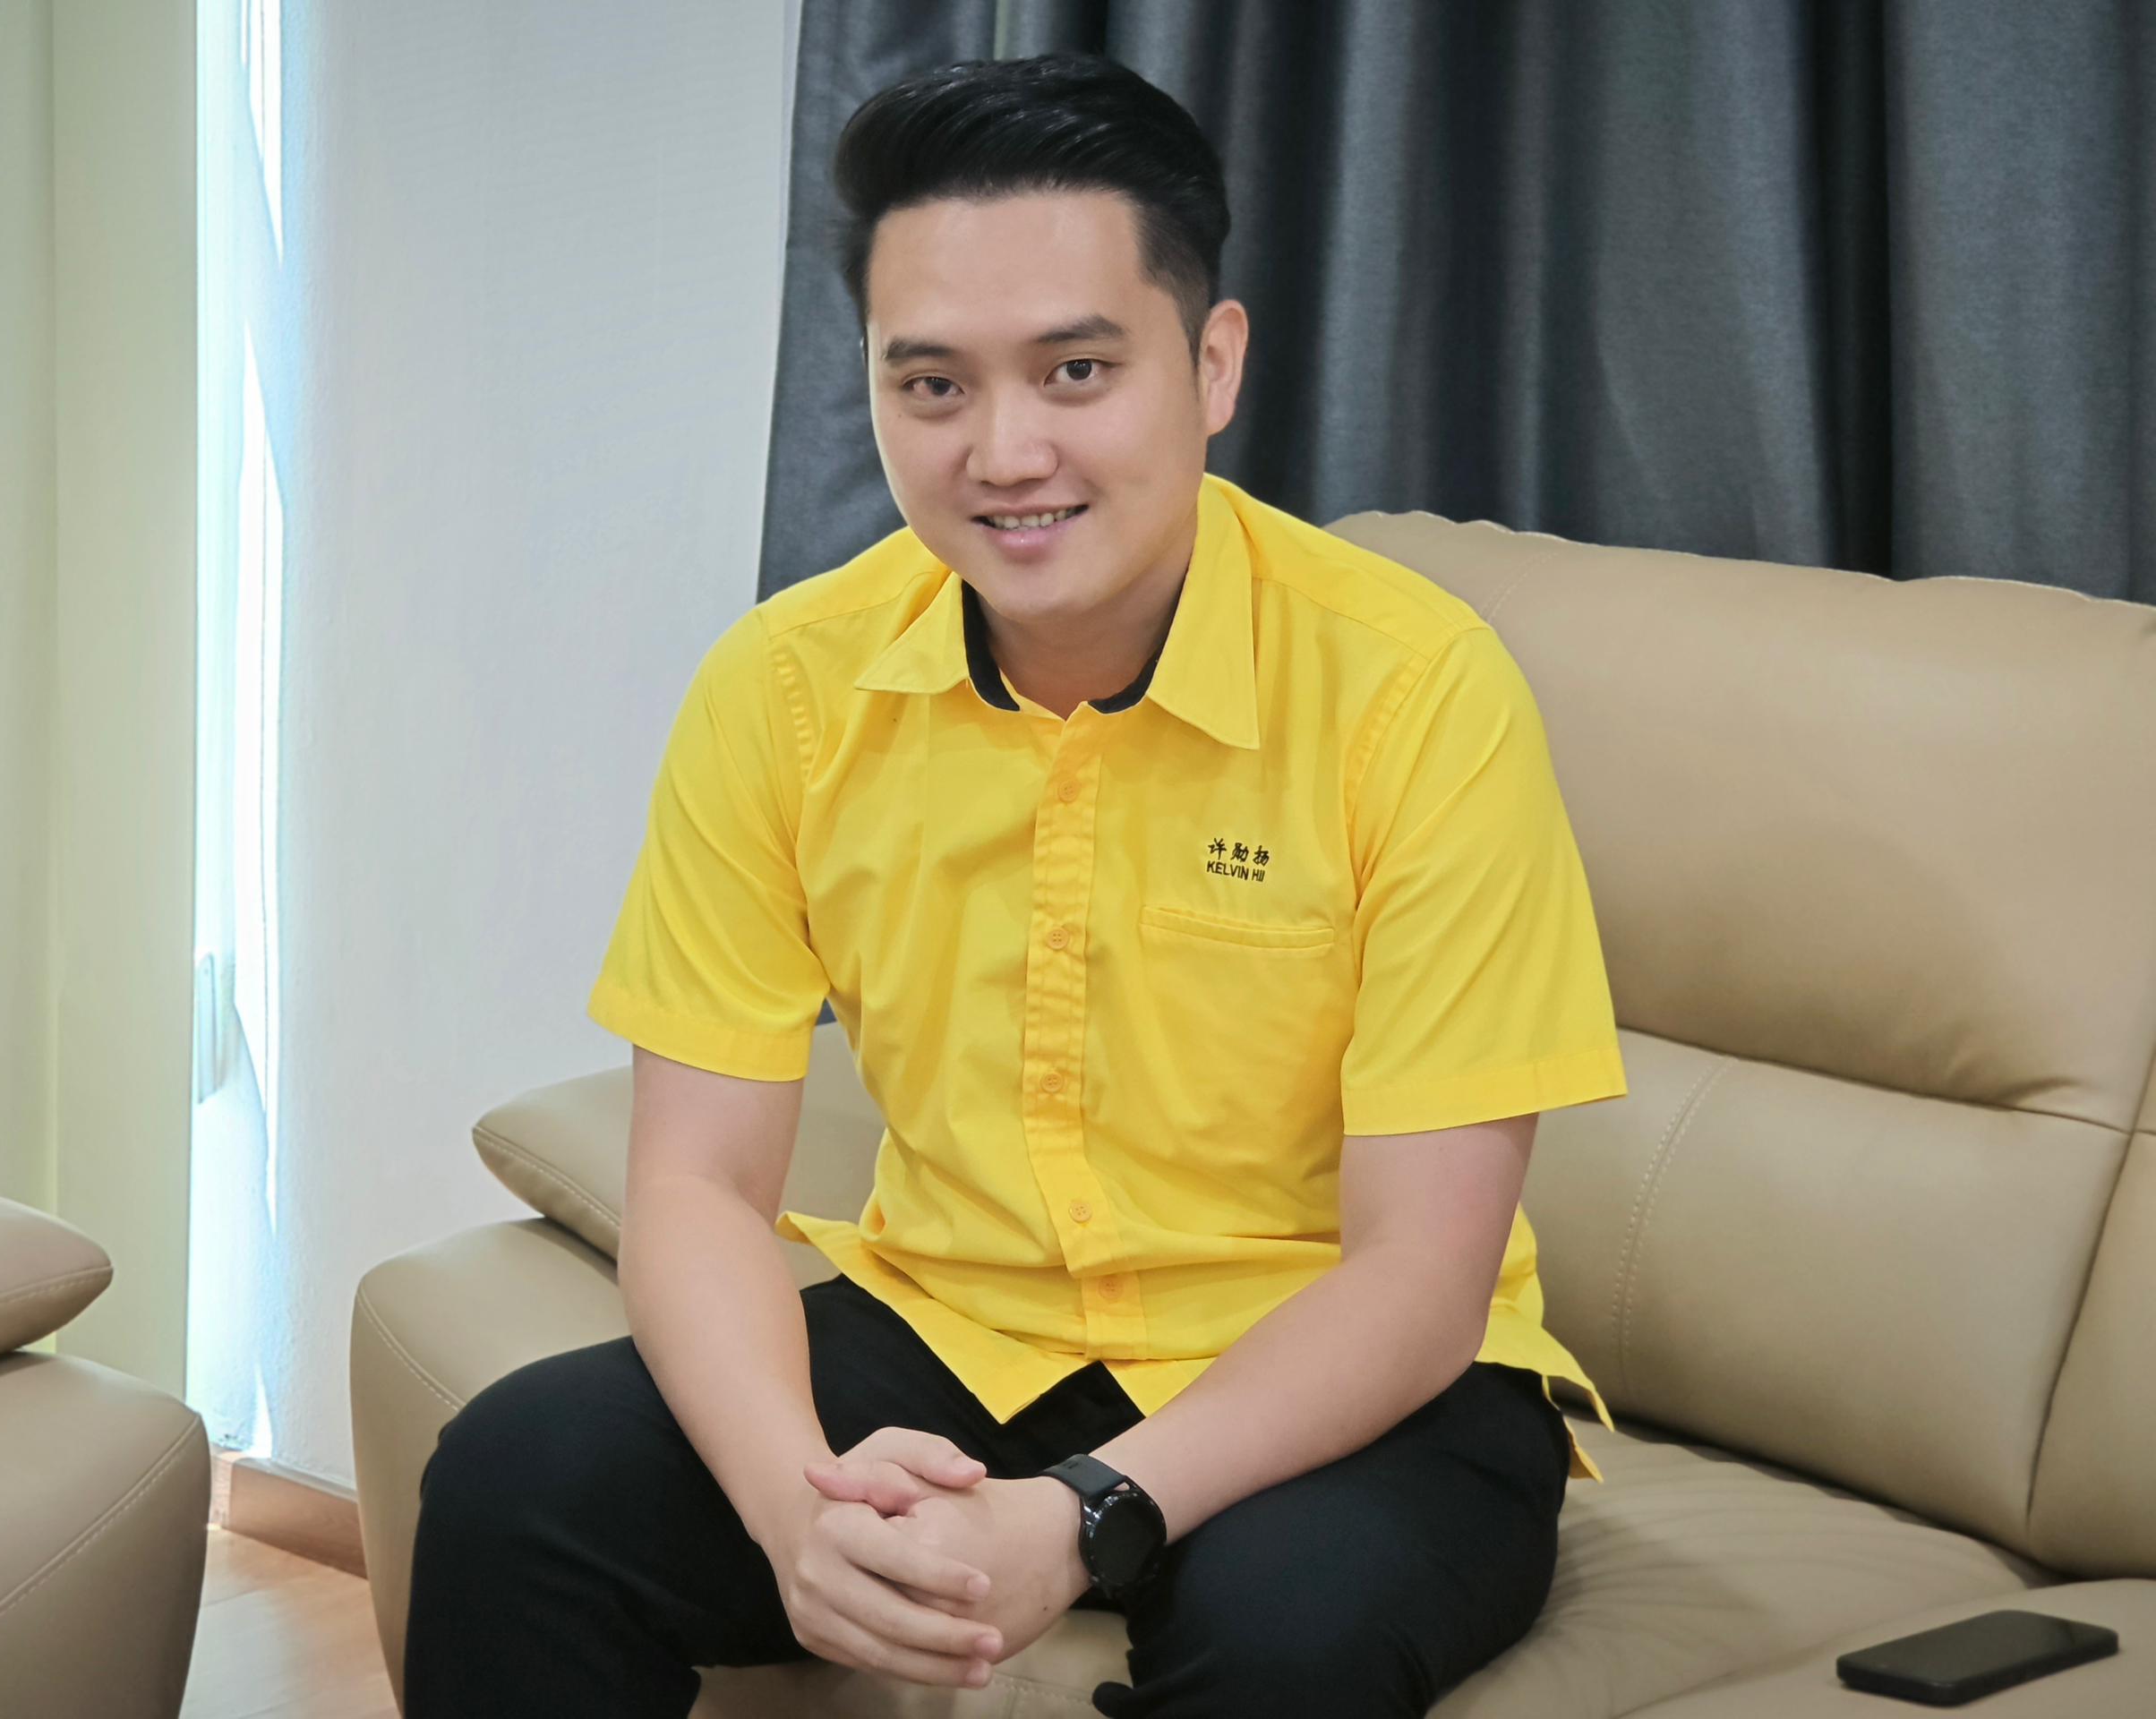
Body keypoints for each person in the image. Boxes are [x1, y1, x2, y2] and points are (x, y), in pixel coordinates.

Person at [403, 48, 1629, 1718]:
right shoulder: (787, 688)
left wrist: (1086, 1513)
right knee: (519, 1482)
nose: (1004, 449)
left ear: (1212, 363)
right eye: (933, 386)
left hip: (1351, 1379)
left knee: (1288, 1636)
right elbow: (693, 1186)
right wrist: (792, 1509)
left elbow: (1420, 1276)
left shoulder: (1416, 691)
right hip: (958, 1328)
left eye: (1076, 370)